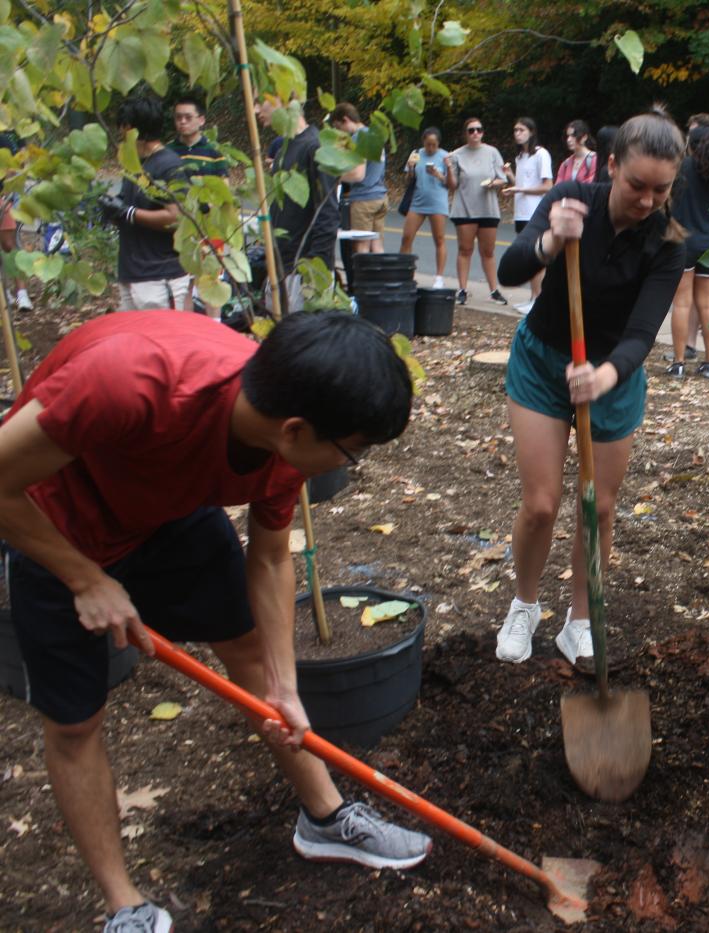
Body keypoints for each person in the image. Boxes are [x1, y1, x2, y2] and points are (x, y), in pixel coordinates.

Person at [0, 311, 430, 933]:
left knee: (253, 651)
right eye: (352, 452)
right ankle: (126, 906)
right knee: (75, 723)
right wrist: (84, 577)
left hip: (169, 512)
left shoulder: (282, 442)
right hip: (54, 523)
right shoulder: (126, 383)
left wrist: (283, 686)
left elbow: (272, 554)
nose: (350, 463)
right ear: (295, 429)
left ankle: (326, 818)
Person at [492, 109, 686, 668]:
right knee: (541, 504)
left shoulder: (669, 241)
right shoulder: (572, 197)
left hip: (612, 376)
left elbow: (643, 333)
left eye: (661, 189)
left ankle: (581, 616)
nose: (648, 200)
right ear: (612, 165)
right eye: (636, 185)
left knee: (597, 506)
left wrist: (603, 376)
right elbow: (509, 271)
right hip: (543, 361)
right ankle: (524, 604)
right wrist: (551, 240)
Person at [98, 97, 193, 312]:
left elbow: (176, 217)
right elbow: (130, 210)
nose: (121, 136)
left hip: (160, 278)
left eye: (123, 129)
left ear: (132, 129)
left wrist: (128, 212)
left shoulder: (169, 166)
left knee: (165, 343)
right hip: (131, 273)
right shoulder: (136, 165)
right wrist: (113, 210)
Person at [256, 95, 343, 313]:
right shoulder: (284, 148)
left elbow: (328, 212)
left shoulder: (315, 147)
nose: (255, 109)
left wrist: (315, 274)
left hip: (304, 272)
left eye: (260, 101)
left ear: (283, 100)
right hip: (281, 266)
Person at [666, 125, 709, 380]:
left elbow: (668, 198)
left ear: (690, 145)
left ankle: (679, 361)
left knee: (682, 302)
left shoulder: (681, 167)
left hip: (682, 240)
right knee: (707, 302)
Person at [446, 117, 508, 306]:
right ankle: (463, 289)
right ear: (465, 133)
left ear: (483, 132)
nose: (475, 134)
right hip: (465, 208)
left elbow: (502, 179)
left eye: (479, 130)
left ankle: (494, 290)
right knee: (465, 249)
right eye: (471, 130)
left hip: (488, 208)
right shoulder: (457, 155)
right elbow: (452, 185)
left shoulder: (492, 152)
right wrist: (448, 168)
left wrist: (493, 183)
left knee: (488, 251)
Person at [502, 117, 552, 313]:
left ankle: (538, 299)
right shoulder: (520, 157)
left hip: (536, 213)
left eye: (521, 130)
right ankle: (533, 297)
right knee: (527, 256)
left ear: (531, 132)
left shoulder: (541, 154)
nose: (517, 134)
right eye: (515, 130)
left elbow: (547, 186)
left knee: (537, 255)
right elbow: (522, 186)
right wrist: (510, 178)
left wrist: (519, 189)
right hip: (520, 213)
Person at [330, 102, 389, 256]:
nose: (340, 132)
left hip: (364, 199)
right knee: (377, 246)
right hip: (380, 196)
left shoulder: (358, 138)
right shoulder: (374, 135)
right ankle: (379, 280)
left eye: (338, 127)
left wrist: (334, 177)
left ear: (345, 120)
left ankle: (362, 280)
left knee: (361, 248)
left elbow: (357, 174)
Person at [398, 126, 453, 290]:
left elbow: (450, 184)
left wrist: (438, 174)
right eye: (428, 144)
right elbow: (409, 179)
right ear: (423, 142)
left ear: (438, 144)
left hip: (437, 202)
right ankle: (404, 273)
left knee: (439, 239)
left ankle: (439, 277)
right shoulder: (416, 154)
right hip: (418, 201)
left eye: (434, 145)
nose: (430, 148)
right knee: (406, 237)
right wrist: (411, 167)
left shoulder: (444, 156)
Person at [1, 130, 31, 312]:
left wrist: (8, 195)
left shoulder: (4, 139)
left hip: (4, 197)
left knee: (8, 245)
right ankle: (4, 293)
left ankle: (22, 293)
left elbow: (16, 168)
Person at [168, 94, 229, 177]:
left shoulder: (214, 151)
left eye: (188, 117)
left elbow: (223, 187)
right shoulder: (167, 150)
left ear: (201, 120)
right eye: (178, 117)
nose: (182, 121)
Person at [556, 120, 598, 184]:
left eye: (573, 135)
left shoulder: (594, 160)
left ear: (584, 137)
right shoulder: (565, 164)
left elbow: (592, 186)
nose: (568, 140)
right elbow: (557, 188)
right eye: (568, 136)